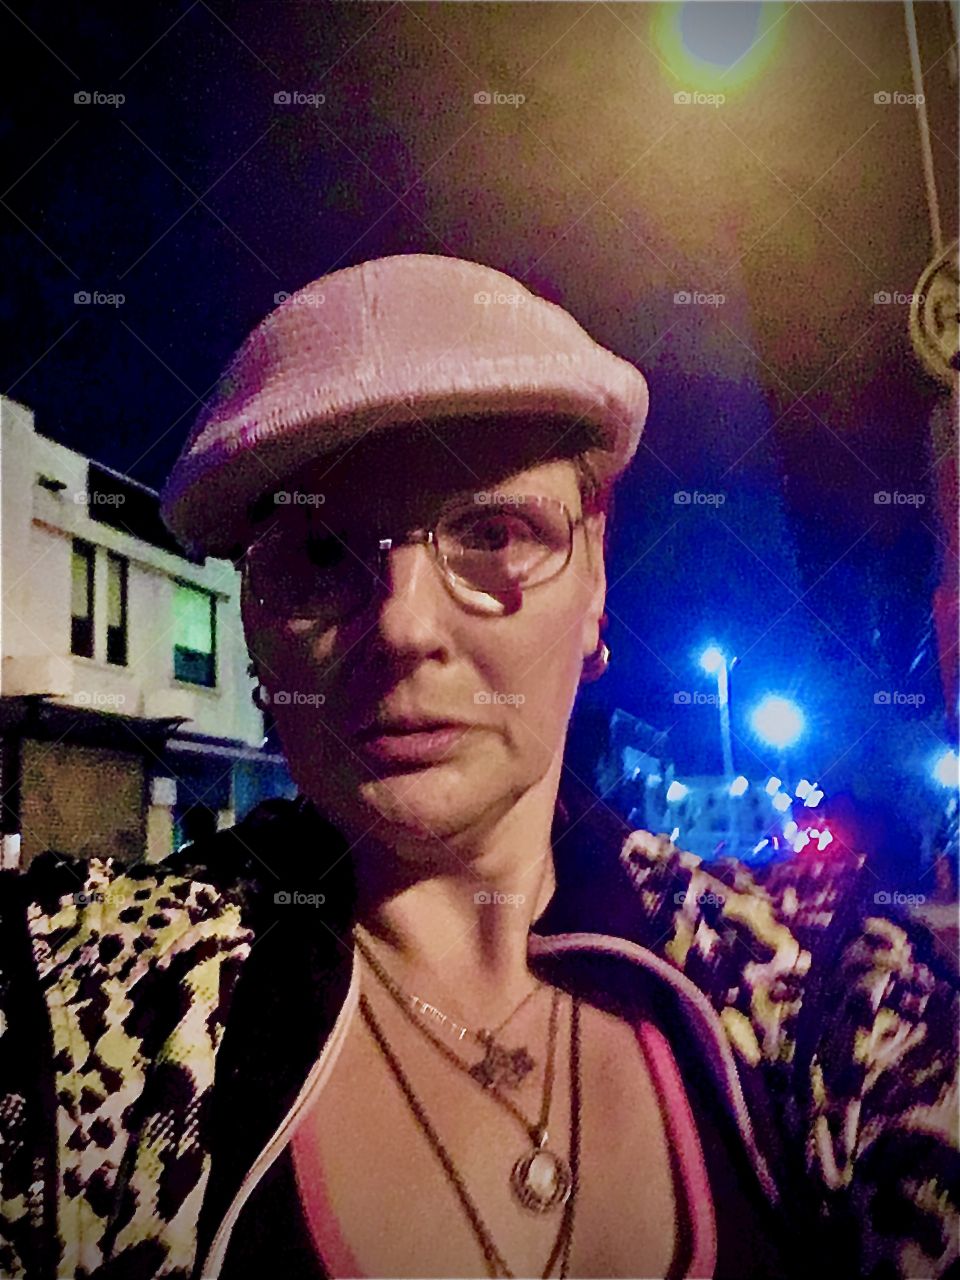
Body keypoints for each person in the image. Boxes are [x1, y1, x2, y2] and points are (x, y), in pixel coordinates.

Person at [0, 254, 956, 1280]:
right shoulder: (71, 1014)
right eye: (320, 553)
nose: (403, 624)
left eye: (495, 530)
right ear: (252, 626)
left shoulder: (824, 1004)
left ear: (594, 578)